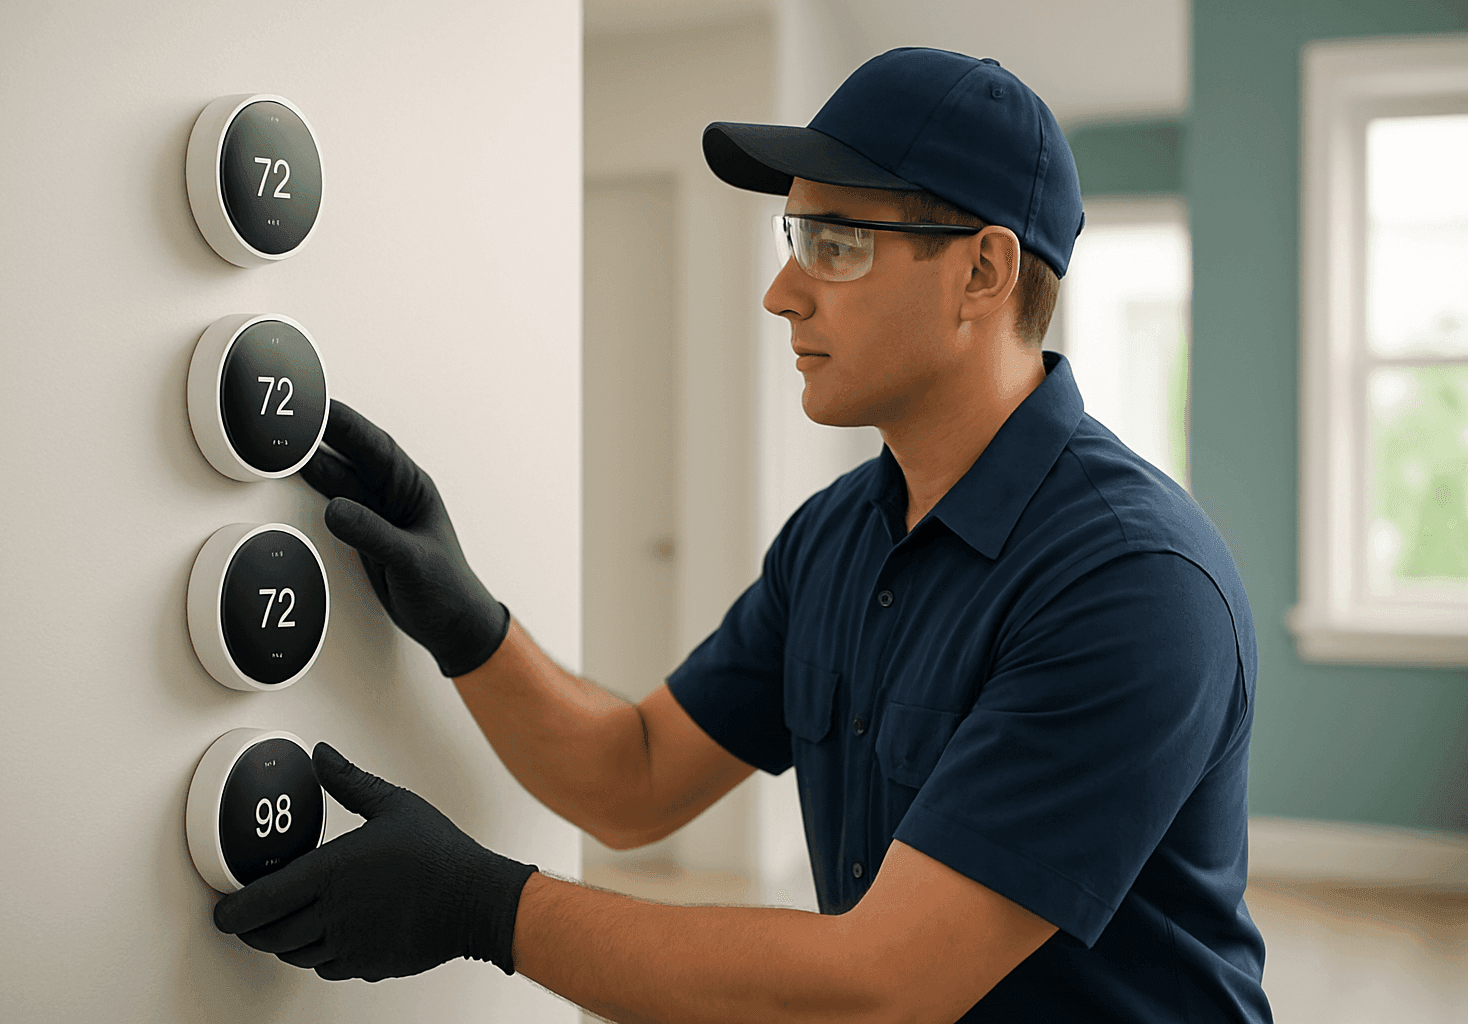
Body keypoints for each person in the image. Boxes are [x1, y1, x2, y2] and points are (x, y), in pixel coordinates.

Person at [213, 47, 1275, 1023]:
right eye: (793, 238)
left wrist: (488, 910)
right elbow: (631, 779)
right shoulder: (839, 538)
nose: (781, 292)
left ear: (983, 274)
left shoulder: (1133, 584)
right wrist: (468, 625)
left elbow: (883, 985)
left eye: (836, 243)